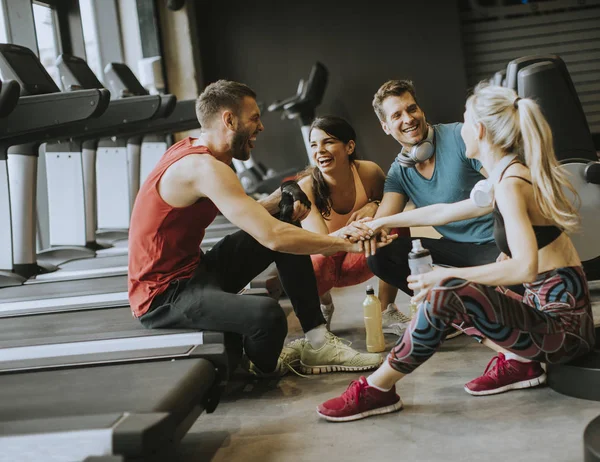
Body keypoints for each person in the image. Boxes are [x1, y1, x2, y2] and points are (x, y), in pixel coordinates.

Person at [316, 82, 595, 422]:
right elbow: (442, 212)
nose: (459, 127)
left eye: (465, 119)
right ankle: (520, 363)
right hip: (552, 321)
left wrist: (449, 274)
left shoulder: (510, 184)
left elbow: (524, 268)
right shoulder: (504, 177)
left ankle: (378, 387)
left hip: (564, 334)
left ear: (477, 130)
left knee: (446, 293)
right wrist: (379, 223)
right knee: (448, 291)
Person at [128, 80, 395, 377]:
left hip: (196, 271)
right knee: (268, 317)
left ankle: (318, 343)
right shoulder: (203, 169)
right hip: (163, 297)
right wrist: (345, 244)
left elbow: (252, 212)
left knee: (284, 218)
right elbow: (273, 238)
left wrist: (284, 195)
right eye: (254, 118)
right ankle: (259, 370)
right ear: (229, 119)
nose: (261, 127)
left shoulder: (204, 156)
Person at [365, 80, 499, 334]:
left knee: (510, 293)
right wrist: (364, 226)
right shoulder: (399, 172)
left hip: (497, 244)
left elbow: (501, 184)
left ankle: (467, 303)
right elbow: (382, 222)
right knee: (380, 254)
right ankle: (449, 311)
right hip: (458, 250)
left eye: (412, 108)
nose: (408, 119)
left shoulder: (461, 137)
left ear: (421, 110)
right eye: (397, 115)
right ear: (385, 126)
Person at [293, 115, 411, 334]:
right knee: (311, 260)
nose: (320, 150)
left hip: (363, 255)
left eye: (328, 142)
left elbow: (392, 203)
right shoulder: (306, 187)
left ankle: (387, 311)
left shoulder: (369, 172)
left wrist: (374, 205)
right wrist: (350, 230)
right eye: (314, 145)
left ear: (349, 146)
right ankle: (323, 306)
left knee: (395, 224)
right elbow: (319, 243)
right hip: (326, 264)